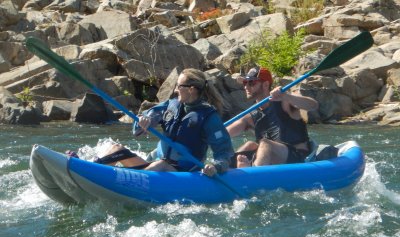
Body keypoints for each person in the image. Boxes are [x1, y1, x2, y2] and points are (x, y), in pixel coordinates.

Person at [91, 68, 234, 177]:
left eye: (179, 86)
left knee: (161, 165)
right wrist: (144, 121)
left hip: (182, 173)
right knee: (116, 148)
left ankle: (116, 177)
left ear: (191, 89)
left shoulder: (209, 117)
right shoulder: (170, 105)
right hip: (156, 165)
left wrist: (216, 167)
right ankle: (91, 169)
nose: (176, 90)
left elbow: (224, 152)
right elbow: (144, 122)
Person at [227, 66, 319, 168]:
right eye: (245, 83)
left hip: (298, 157)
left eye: (251, 83)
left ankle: (254, 176)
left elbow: (313, 105)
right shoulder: (249, 117)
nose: (246, 87)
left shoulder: (285, 102)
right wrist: (209, 135)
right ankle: (225, 169)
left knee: (265, 144)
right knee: (249, 145)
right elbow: (225, 133)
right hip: (268, 160)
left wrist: (286, 96)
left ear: (266, 84)